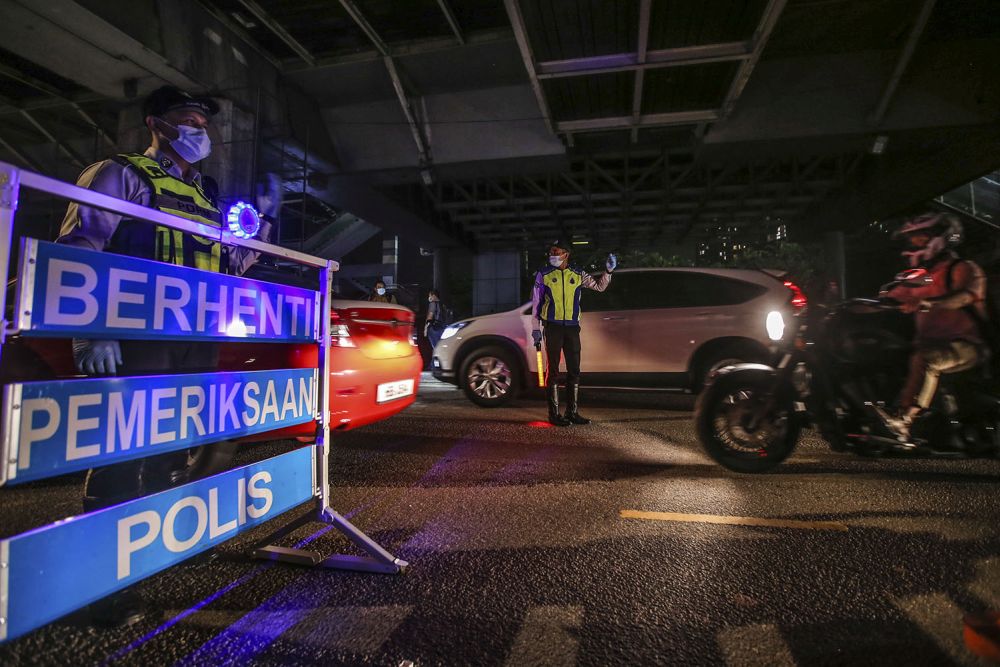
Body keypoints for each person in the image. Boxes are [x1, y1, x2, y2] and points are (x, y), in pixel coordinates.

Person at [56, 85, 280, 624]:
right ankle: (99, 586)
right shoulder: (118, 174)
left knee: (166, 454)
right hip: (136, 340)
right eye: (189, 120)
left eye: (204, 124)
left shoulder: (205, 196)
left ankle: (146, 565)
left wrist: (263, 222)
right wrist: (93, 332)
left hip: (192, 343)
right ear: (157, 124)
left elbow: (228, 267)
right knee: (120, 454)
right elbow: (79, 250)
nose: (200, 132)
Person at [881, 212, 988, 443]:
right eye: (912, 240)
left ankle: (903, 418)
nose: (913, 244)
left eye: (920, 238)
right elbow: (889, 299)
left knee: (926, 359)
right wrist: (845, 307)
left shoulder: (963, 268)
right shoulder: (919, 277)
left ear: (941, 238)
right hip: (928, 343)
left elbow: (963, 297)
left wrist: (929, 303)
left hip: (966, 345)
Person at [531, 241, 616, 426]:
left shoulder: (578, 274)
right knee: (552, 371)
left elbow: (600, 287)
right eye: (551, 251)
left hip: (571, 328)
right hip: (552, 327)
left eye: (556, 251)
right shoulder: (543, 274)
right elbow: (536, 304)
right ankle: (553, 414)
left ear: (566, 254)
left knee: (574, 370)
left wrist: (608, 272)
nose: (552, 255)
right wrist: (536, 329)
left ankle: (572, 412)